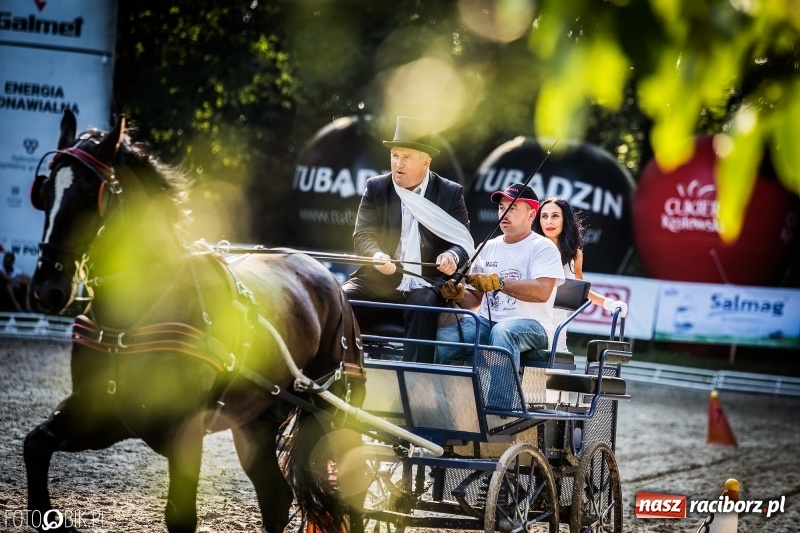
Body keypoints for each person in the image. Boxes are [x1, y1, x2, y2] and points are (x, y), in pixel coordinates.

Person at [342, 116, 474, 364]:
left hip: (425, 282)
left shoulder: (450, 192)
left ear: (426, 161)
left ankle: (417, 381)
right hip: (379, 278)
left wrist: (452, 256)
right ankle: (340, 373)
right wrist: (376, 256)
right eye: (394, 155)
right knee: (341, 299)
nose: (397, 164)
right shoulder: (376, 188)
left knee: (423, 303)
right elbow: (363, 235)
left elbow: (463, 241)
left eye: (406, 157)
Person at [434, 183, 565, 385]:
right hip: (486, 323)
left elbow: (542, 292)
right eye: (502, 207)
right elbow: (475, 302)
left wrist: (500, 283)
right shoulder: (486, 247)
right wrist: (459, 294)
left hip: (535, 326)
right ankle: (432, 400)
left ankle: (501, 408)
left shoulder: (543, 247)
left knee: (502, 332)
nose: (504, 213)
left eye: (512, 208)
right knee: (441, 340)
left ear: (531, 215)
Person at [532, 197, 628, 352]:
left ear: (566, 220)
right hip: (531, 325)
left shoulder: (575, 255)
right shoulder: (531, 249)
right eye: (544, 216)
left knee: (557, 373)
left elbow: (581, 291)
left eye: (555, 216)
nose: (549, 221)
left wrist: (609, 303)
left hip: (559, 327)